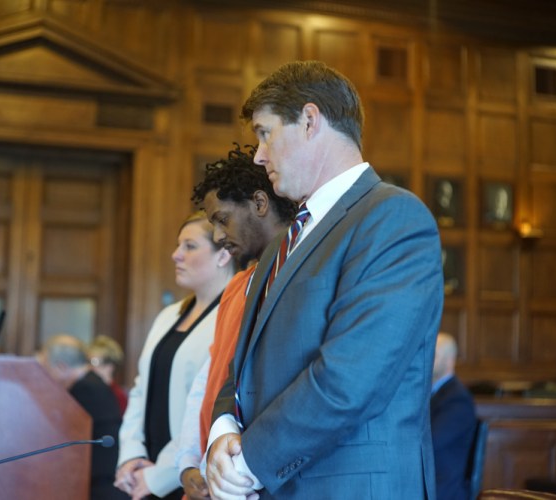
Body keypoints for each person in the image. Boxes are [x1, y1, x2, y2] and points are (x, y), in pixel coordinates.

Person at [206, 60, 444, 499]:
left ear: (310, 120)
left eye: (264, 132)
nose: (258, 155)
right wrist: (222, 431)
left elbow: (350, 379)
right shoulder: (283, 242)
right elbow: (243, 364)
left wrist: (249, 460)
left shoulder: (393, 217)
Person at [175, 144, 296, 499]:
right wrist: (188, 462)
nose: (217, 237)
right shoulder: (236, 287)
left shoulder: (296, 280)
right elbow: (209, 379)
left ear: (259, 204)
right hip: (210, 466)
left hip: (253, 476)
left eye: (221, 220)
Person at [115, 212, 236, 500]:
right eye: (177, 246)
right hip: (143, 470)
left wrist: (160, 475)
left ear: (223, 255)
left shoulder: (231, 318)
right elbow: (141, 388)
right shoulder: (169, 315)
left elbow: (205, 407)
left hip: (187, 477)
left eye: (189, 246)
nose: (175, 255)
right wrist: (131, 456)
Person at [38, 334, 128, 500]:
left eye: (45, 368)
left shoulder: (84, 391)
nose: (44, 375)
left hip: (101, 487)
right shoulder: (91, 383)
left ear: (61, 366)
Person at [431, 332, 478, 500]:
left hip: (442, 489)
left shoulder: (457, 398)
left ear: (449, 360)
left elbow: (431, 442)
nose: (427, 360)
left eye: (433, 355)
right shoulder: (432, 393)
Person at [88, 334, 128, 416]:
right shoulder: (87, 390)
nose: (90, 367)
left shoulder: (118, 396)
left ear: (110, 365)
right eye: (88, 361)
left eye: (95, 362)